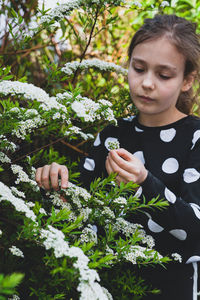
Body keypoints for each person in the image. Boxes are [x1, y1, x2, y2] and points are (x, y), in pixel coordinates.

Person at [35, 14, 200, 300]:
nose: (147, 83)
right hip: (105, 283)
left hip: (174, 288)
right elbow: (80, 205)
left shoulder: (195, 137)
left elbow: (196, 225)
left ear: (187, 80)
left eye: (163, 75)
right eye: (138, 69)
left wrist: (146, 182)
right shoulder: (112, 133)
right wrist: (56, 179)